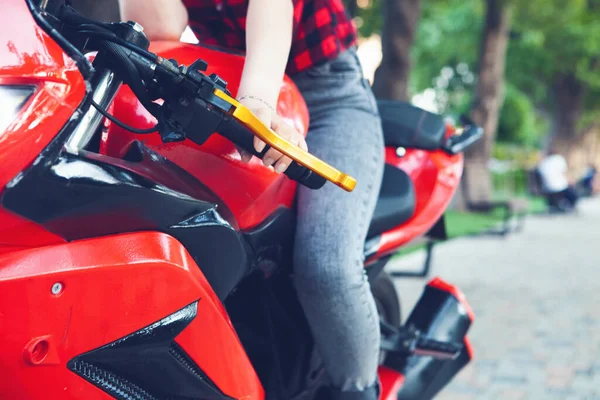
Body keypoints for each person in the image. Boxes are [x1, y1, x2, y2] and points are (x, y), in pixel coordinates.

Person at [118, 0, 385, 398]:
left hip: (327, 93)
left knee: (326, 267)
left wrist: (258, 102)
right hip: (237, 84)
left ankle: (360, 391)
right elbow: (162, 27)